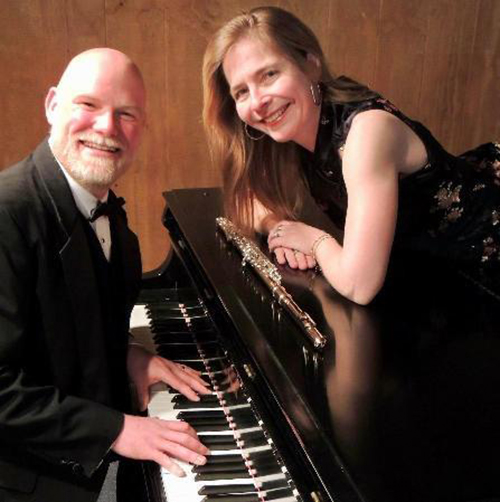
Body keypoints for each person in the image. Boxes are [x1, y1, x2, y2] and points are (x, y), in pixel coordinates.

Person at [0, 48, 210, 502]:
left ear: (142, 130)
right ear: (53, 104)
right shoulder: (7, 213)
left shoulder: (109, 216)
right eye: (89, 105)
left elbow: (67, 328)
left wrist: (128, 352)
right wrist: (116, 428)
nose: (107, 128)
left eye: (126, 114)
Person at [202, 6, 500, 305]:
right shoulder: (299, 118)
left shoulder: (365, 133)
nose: (258, 102)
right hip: (436, 277)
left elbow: (360, 286)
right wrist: (279, 230)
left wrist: (314, 242)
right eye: (241, 91)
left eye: (269, 74)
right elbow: (249, 200)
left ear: (311, 64)